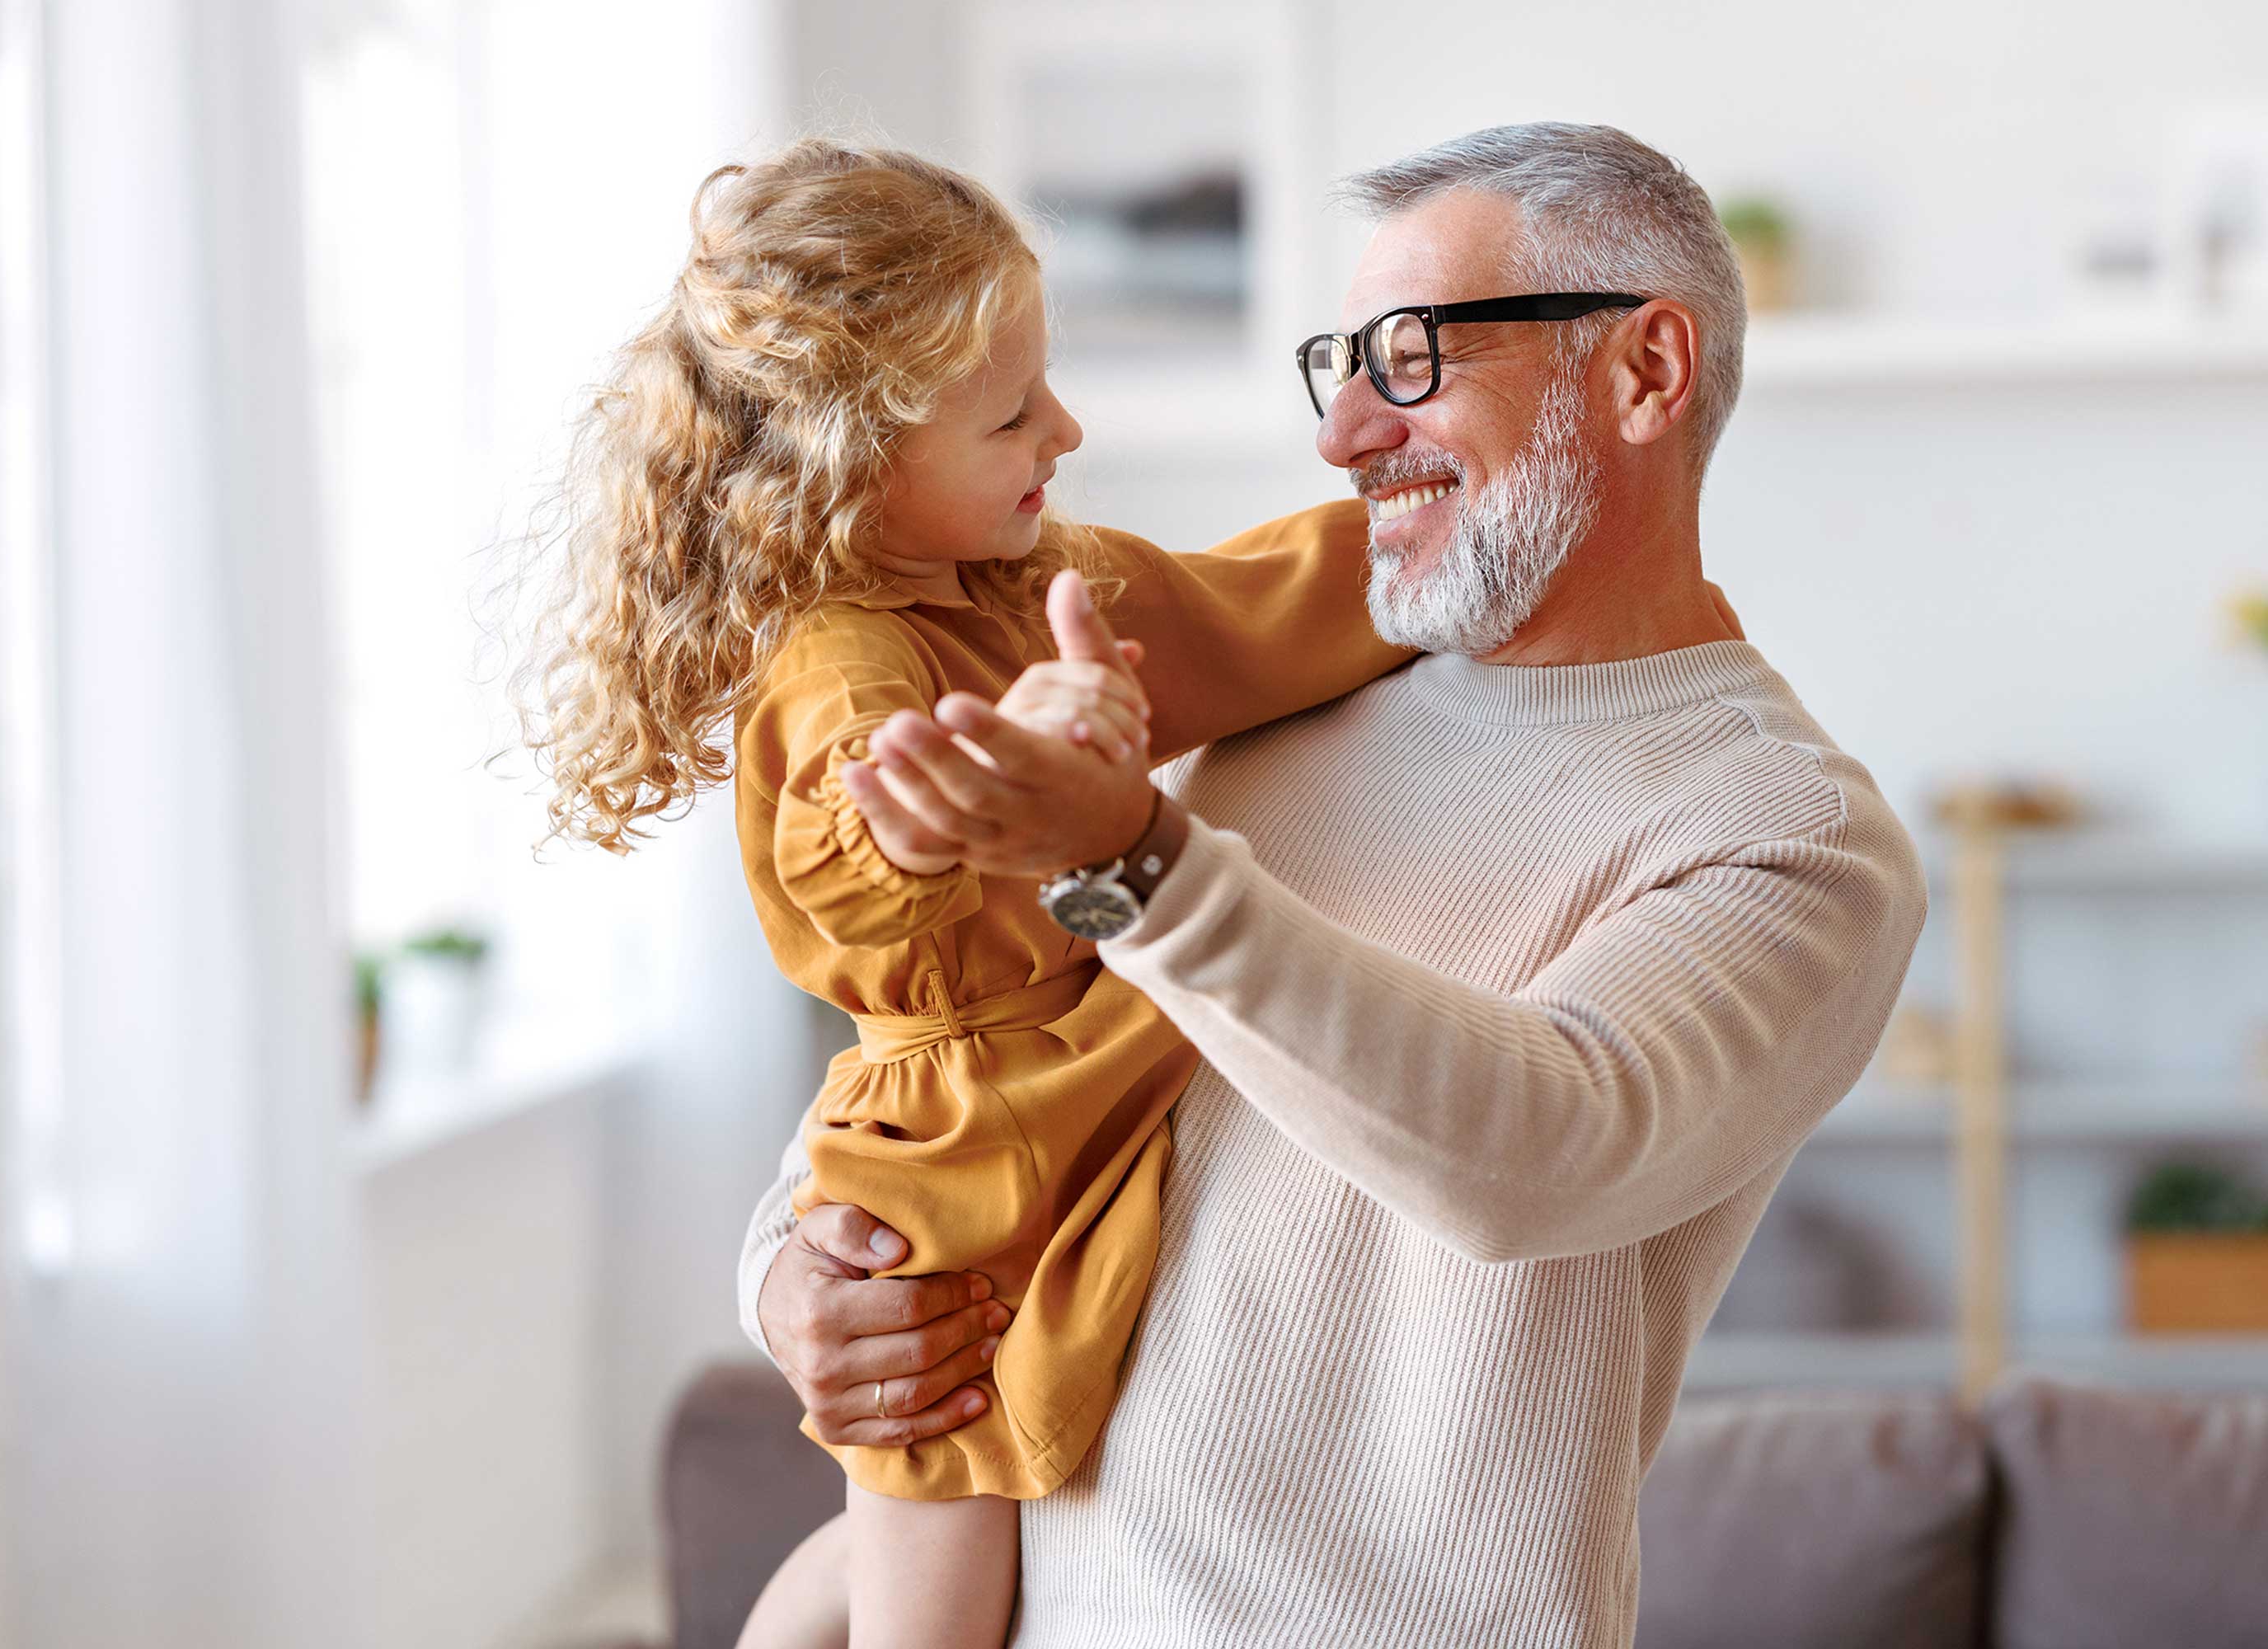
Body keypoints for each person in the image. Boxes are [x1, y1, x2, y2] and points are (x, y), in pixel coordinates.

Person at [740, 122, 1930, 1647]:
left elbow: (1535, 1150)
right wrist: (795, 1276)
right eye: (1341, 363)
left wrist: (1129, 857)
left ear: (1644, 373)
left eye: (1416, 357)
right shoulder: (1260, 708)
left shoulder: (1786, 835)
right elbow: (967, 1050)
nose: (1347, 431)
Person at [505, 139, 1409, 1649]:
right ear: (854, 460)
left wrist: (1434, 535)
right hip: (952, 1160)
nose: (1065, 426)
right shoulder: (843, 658)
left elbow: (1249, 611)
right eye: (1011, 415)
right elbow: (862, 862)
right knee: (938, 1561)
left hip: (1084, 1053)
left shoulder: (1039, 583)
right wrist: (989, 786)